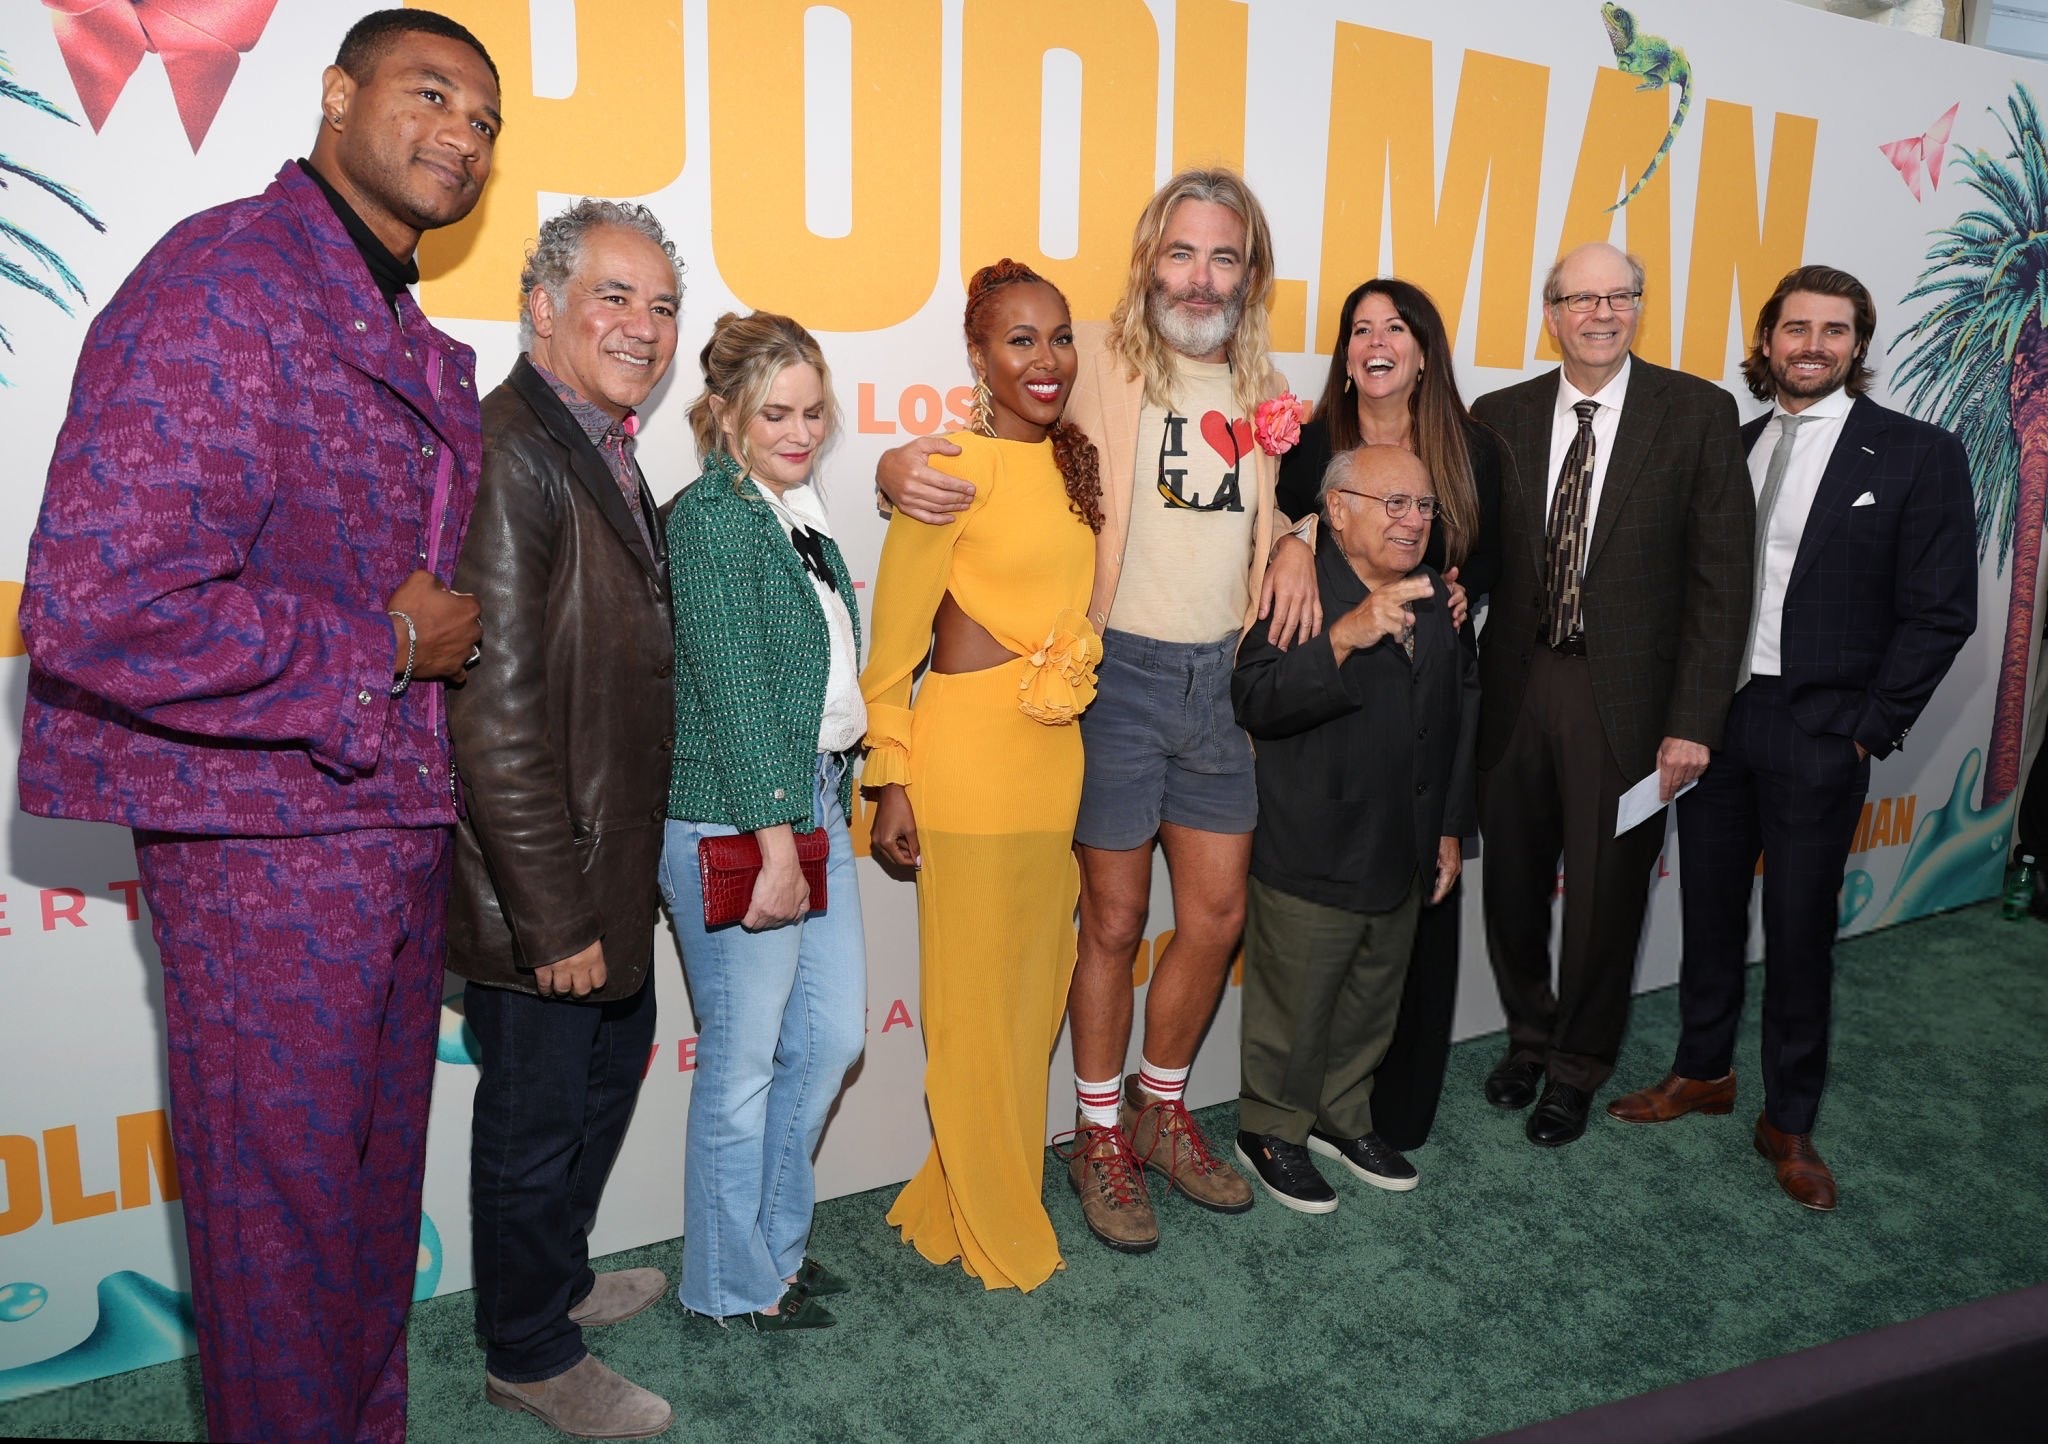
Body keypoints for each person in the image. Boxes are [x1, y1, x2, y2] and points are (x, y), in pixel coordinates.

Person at [15, 12, 494, 1441]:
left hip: (387, 825)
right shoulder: (228, 280)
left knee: (366, 1209)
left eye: (484, 120)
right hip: (260, 852)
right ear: (336, 97)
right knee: (278, 1238)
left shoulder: (393, 321)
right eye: (429, 94)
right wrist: (384, 648)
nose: (461, 134)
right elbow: (98, 603)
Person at [879, 168, 1317, 1253]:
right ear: (1150, 260)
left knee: (1214, 917)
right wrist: (894, 467)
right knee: (1113, 923)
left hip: (1220, 685)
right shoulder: (1095, 363)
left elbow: (1283, 499)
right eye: (1182, 252)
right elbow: (995, 428)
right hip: (1112, 678)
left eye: (1223, 257)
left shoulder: (1267, 385)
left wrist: (1299, 536)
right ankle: (1099, 1134)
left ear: (1249, 272)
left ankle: (1161, 1110)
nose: (1200, 277)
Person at [1606, 265, 1977, 1209]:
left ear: (1859, 345)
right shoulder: (1729, 445)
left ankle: (1790, 1119)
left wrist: (1866, 730)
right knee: (1708, 912)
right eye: (1796, 328)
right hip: (1716, 721)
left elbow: (1942, 611)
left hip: (1822, 730)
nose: (1813, 345)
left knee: (1801, 932)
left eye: (1834, 330)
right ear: (1767, 341)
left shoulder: (1916, 453)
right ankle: (1703, 1072)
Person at [446, 201, 681, 1436]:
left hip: (604, 865)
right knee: (535, 1123)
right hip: (542, 885)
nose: (643, 326)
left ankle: (556, 1281)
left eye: (661, 304)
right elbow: (491, 713)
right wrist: (552, 920)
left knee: (605, 1074)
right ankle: (528, 1352)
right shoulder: (512, 450)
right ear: (542, 308)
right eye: (613, 297)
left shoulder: (598, 443)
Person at [1470, 242, 1753, 1148]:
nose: (1600, 313)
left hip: (1627, 699)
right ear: (1551, 314)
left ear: (1638, 306)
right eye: (1580, 299)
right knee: (1512, 886)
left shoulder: (1698, 413)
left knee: (1606, 896)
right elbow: (1473, 550)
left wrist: (1694, 722)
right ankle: (1528, 1038)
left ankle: (1577, 1068)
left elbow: (1722, 583)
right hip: (1517, 683)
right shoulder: (1498, 416)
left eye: (1618, 296)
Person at [862, 259, 1104, 1288]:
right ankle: (999, 1217)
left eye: (1059, 337)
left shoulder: (1076, 466)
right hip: (965, 763)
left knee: (1031, 998)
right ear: (978, 354)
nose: (1045, 359)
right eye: (1020, 339)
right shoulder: (946, 467)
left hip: (1054, 763)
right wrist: (892, 778)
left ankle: (958, 1189)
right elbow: (892, 645)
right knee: (969, 1010)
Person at [658, 312, 867, 1330]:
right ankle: (727, 1283)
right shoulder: (710, 520)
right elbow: (735, 695)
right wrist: (778, 844)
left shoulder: (796, 514)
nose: (799, 431)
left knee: (828, 1040)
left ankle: (772, 1251)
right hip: (736, 817)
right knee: (742, 1063)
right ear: (726, 415)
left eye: (812, 412)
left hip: (811, 799)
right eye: (775, 413)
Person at [1274, 277, 1503, 1153]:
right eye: (1360, 328)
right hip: (1331, 695)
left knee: (1423, 901)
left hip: (1431, 692)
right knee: (1329, 914)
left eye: (1396, 327)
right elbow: (1273, 528)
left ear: (1424, 349)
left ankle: (1396, 1109)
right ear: (1344, 355)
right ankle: (1306, 1106)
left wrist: (1461, 587)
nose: (1377, 342)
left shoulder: (1471, 449)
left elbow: (1495, 560)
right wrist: (1292, 544)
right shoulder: (1306, 445)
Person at [1233, 446, 1478, 1210]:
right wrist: (1345, 635)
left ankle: (1342, 1116)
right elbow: (1255, 698)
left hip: (1402, 845)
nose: (1414, 520)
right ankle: (1270, 1128)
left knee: (1373, 1000)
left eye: (1424, 506)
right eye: (1394, 503)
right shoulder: (1301, 584)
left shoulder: (1435, 594)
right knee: (1295, 1009)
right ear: (1336, 510)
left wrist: (1447, 827)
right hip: (1314, 845)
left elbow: (1460, 706)